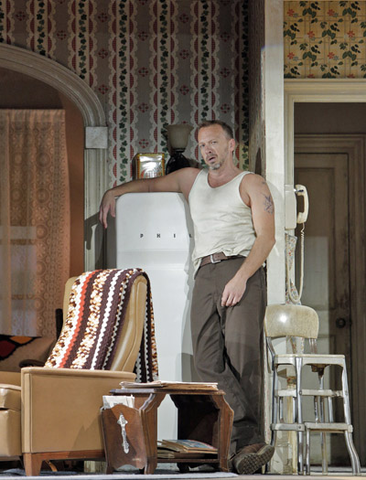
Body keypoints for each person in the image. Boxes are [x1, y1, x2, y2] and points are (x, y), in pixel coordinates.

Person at [99, 120, 276, 474]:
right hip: (204, 272)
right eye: (202, 144)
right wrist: (113, 192)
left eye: (214, 142)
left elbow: (267, 238)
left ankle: (248, 443)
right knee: (206, 362)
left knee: (243, 359)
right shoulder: (191, 179)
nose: (207, 149)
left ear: (231, 145)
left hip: (241, 267)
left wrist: (242, 278)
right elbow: (149, 185)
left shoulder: (251, 183)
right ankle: (240, 439)